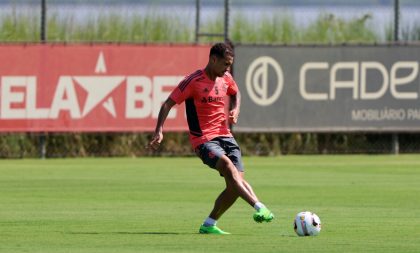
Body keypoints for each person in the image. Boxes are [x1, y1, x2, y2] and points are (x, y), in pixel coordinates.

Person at [148, 42, 274, 235]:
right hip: (204, 140)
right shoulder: (193, 81)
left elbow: (236, 92)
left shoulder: (226, 78)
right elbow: (167, 104)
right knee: (229, 169)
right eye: (225, 64)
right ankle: (259, 207)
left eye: (230, 64)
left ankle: (209, 224)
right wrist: (159, 131)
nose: (228, 68)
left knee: (235, 185)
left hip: (226, 136)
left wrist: (235, 108)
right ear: (213, 60)